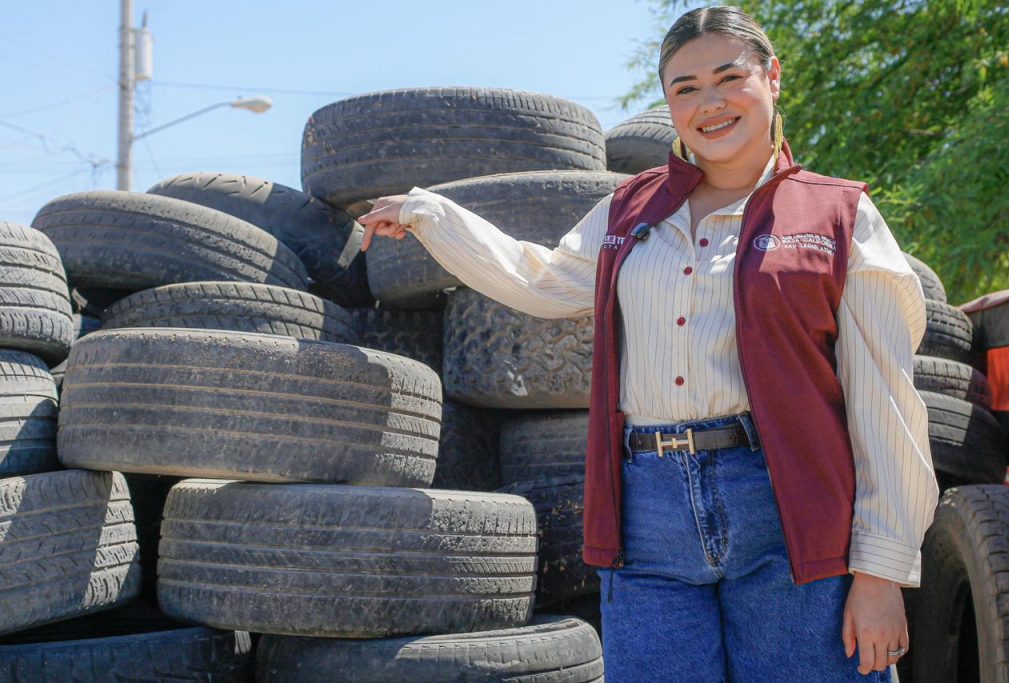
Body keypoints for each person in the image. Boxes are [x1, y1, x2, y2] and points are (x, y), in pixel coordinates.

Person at [357, 6, 939, 681]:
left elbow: (885, 401)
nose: (710, 103)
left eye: (730, 77)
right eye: (686, 88)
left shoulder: (838, 213)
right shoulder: (629, 208)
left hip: (789, 506)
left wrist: (881, 572)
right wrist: (431, 215)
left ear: (773, 77)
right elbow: (541, 278)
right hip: (646, 510)